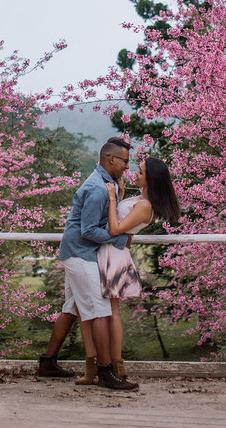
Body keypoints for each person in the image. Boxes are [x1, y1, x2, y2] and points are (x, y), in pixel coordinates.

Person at [36, 137, 139, 390]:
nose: (128, 166)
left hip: (77, 252)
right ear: (111, 159)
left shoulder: (109, 183)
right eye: (125, 161)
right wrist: (119, 236)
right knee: (101, 310)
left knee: (71, 308)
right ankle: (105, 373)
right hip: (80, 254)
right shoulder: (97, 189)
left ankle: (47, 363)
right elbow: (89, 230)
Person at [74, 156, 180, 386]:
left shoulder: (145, 206)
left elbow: (115, 228)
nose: (135, 174)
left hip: (112, 255)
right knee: (97, 309)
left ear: (151, 179)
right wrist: (120, 196)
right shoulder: (140, 200)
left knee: (110, 311)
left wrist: (112, 198)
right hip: (111, 252)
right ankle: (106, 364)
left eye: (141, 173)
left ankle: (115, 364)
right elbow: (124, 226)